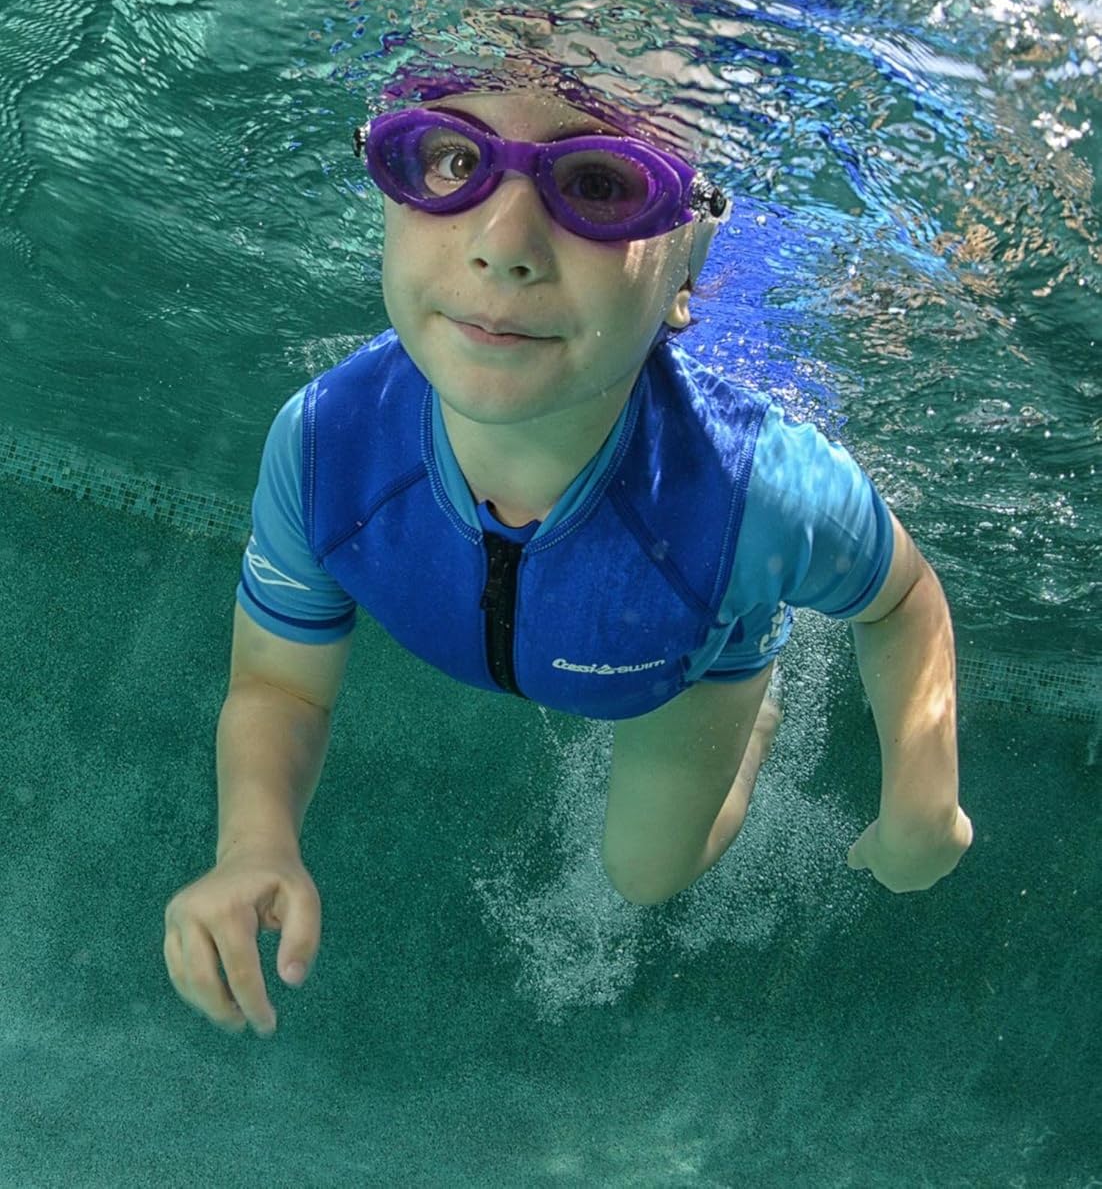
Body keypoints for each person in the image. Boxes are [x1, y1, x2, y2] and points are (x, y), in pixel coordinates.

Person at [163, 73, 973, 1040]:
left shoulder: (751, 489)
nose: (502, 243)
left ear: (687, 268)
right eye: (452, 159)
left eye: (599, 184)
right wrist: (253, 840)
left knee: (647, 876)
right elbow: (278, 685)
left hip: (688, 660)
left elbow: (901, 597)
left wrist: (923, 797)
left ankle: (751, 704)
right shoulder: (324, 446)